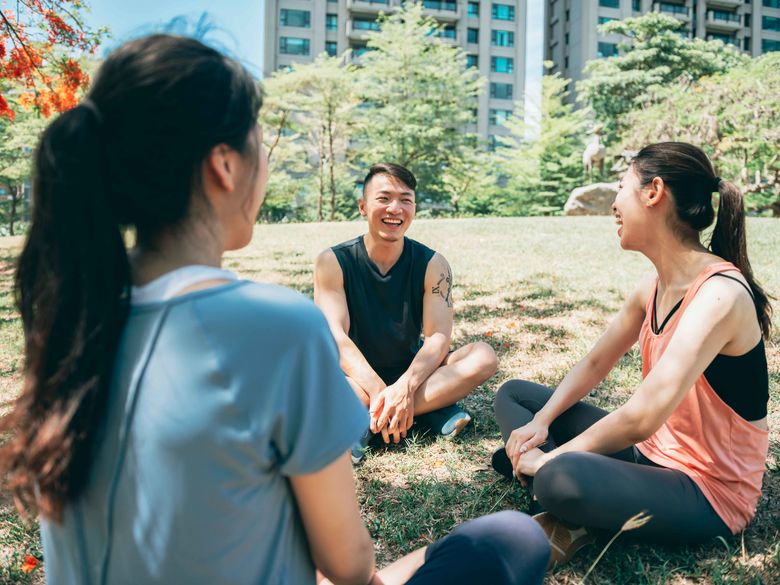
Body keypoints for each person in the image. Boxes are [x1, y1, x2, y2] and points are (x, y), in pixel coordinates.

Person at [0, 35, 550, 585]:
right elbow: (350, 568)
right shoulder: (279, 324)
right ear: (223, 166)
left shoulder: (69, 321)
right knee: (515, 535)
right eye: (262, 143)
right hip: (345, 452)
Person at [492, 142, 771, 566]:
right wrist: (542, 423)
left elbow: (641, 417)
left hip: (708, 490)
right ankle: (560, 487)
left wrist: (549, 457)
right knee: (516, 398)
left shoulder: (719, 296)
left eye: (621, 187)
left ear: (654, 191)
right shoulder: (652, 287)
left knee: (559, 477)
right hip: (651, 456)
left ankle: (559, 496)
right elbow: (595, 363)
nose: (614, 205)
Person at [314, 163, 498, 462]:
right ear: (363, 206)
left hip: (414, 373)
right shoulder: (332, 261)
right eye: (384, 198)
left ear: (414, 207)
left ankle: (367, 424)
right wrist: (380, 392)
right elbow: (335, 337)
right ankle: (430, 412)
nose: (395, 208)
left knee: (483, 357)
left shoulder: (433, 264)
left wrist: (405, 387)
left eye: (405, 199)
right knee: (324, 390)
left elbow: (438, 336)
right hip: (355, 379)